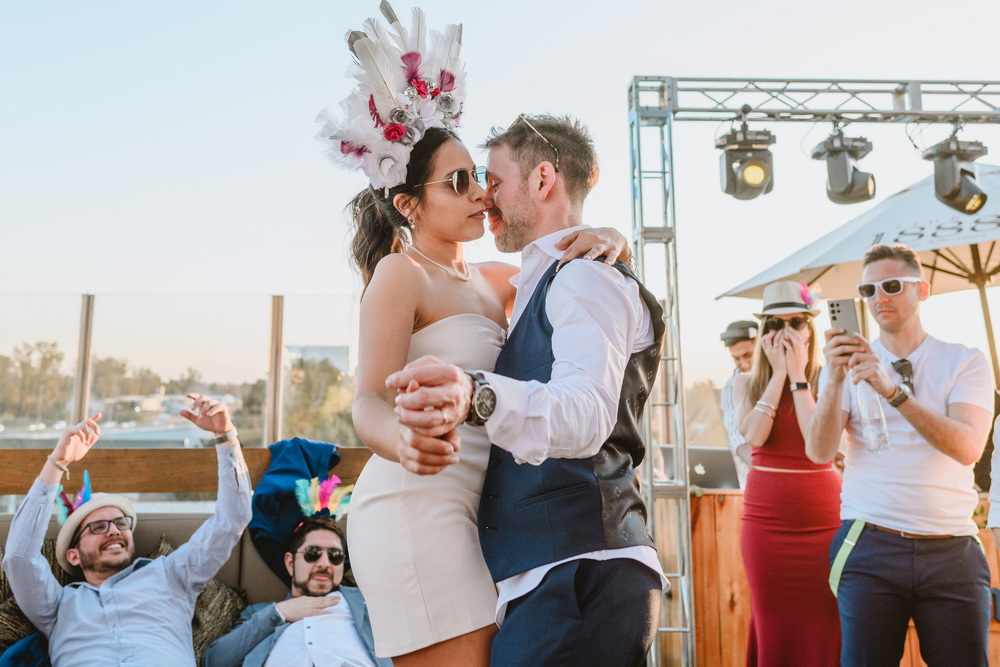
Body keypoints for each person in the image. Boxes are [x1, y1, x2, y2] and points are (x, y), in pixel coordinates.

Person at [315, 7, 628, 666]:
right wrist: (403, 439)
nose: (482, 197)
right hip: (414, 507)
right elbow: (366, 400)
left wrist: (613, 237)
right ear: (409, 204)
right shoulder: (401, 275)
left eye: (481, 180)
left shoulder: (501, 280)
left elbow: (573, 292)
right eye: (459, 183)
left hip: (484, 522)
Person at [386, 113, 666, 667]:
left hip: (582, 572)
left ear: (542, 181)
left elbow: (587, 416)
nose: (485, 198)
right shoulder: (541, 278)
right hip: (550, 575)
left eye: (494, 180)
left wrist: (475, 393)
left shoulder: (585, 276)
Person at [806, 244, 994, 667]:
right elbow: (818, 453)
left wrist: (891, 390)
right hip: (870, 542)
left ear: (922, 290)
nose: (879, 298)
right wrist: (834, 379)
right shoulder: (847, 365)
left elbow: (967, 448)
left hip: (951, 549)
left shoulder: (964, 361)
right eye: (868, 289)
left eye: (892, 286)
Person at [2, 393, 251, 667]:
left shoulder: (173, 576)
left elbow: (233, 519)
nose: (114, 531)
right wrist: (56, 464)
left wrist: (225, 436)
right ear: (74, 555)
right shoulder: (56, 606)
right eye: (98, 526)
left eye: (121, 523)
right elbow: (18, 558)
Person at [731, 281, 841, 666]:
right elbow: (755, 435)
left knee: (827, 625)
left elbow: (817, 447)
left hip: (824, 524)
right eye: (775, 325)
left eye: (796, 322)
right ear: (763, 334)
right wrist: (778, 375)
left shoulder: (828, 380)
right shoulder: (745, 383)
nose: (786, 333)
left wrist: (798, 376)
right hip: (767, 525)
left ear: (809, 328)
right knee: (774, 622)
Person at [201, 515, 390, 667]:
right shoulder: (259, 614)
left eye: (335, 556)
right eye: (313, 554)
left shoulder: (367, 603)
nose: (325, 564)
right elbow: (214, 661)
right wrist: (278, 613)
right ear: (290, 563)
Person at [719, 319, 758, 488]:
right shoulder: (730, 387)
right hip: (751, 480)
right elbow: (736, 438)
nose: (743, 364)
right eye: (737, 358)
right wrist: (762, 468)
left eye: (748, 355)